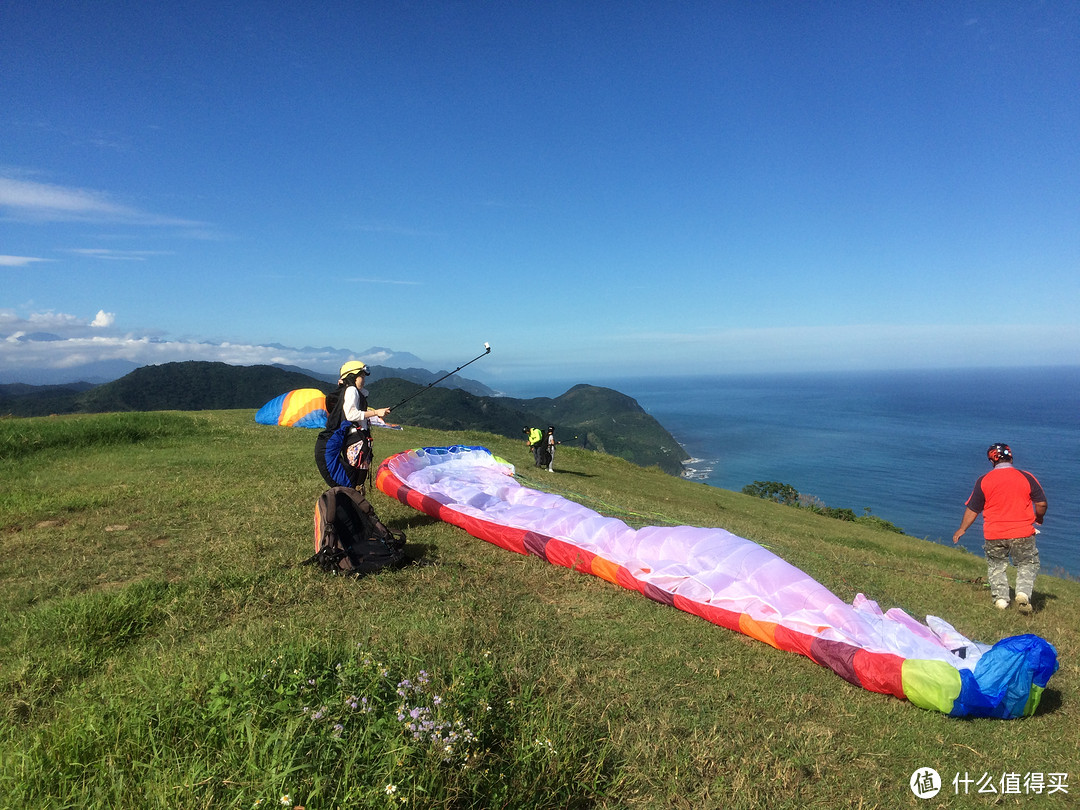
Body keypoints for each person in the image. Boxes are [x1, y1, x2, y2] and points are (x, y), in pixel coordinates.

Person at [952, 443, 1047, 614]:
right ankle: (1023, 593)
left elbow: (973, 508)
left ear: (992, 460)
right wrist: (1038, 517)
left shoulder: (984, 480)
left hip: (994, 533)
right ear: (1011, 457)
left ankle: (1001, 599)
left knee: (996, 566)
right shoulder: (1026, 477)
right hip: (1022, 532)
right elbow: (1041, 503)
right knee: (1027, 563)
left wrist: (962, 529)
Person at [315, 360, 391, 494]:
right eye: (362, 376)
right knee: (357, 478)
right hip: (356, 441)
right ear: (353, 376)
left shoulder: (353, 391)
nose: (364, 379)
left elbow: (358, 416)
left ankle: (355, 503)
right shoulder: (351, 390)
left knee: (357, 478)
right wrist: (375, 412)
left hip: (357, 439)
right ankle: (355, 504)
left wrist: (377, 417)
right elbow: (351, 415)